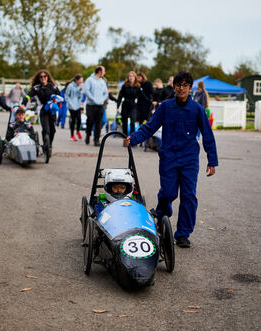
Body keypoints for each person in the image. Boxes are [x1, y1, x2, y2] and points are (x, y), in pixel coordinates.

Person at [123, 71, 218, 248]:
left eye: (185, 85)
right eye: (178, 85)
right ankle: (162, 213)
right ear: (174, 87)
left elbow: (207, 134)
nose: (181, 88)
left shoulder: (197, 109)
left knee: (188, 196)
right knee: (168, 193)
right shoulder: (166, 107)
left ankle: (182, 233)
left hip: (189, 160)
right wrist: (133, 139)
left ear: (190, 88)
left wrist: (212, 160)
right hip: (169, 158)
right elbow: (149, 128)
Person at [21, 69, 61, 150]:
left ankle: (49, 145)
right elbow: (28, 96)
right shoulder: (36, 88)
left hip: (52, 110)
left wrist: (57, 103)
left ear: (47, 77)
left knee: (52, 130)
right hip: (43, 110)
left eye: (44, 76)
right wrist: (23, 104)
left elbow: (60, 97)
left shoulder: (53, 87)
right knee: (46, 129)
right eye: (41, 77)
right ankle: (45, 145)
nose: (43, 78)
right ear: (39, 78)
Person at [82, 66, 109, 146]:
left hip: (100, 105)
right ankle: (88, 135)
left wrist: (102, 100)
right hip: (91, 105)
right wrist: (93, 99)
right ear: (99, 71)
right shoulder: (89, 80)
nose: (104, 73)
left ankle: (96, 140)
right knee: (90, 122)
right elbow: (86, 91)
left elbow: (105, 93)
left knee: (98, 123)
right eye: (104, 71)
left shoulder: (102, 82)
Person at [116, 71, 140, 136]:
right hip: (125, 105)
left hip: (133, 106)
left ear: (135, 77)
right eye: (129, 76)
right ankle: (125, 137)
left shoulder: (138, 86)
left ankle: (132, 138)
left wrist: (150, 101)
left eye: (132, 76)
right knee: (124, 122)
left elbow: (142, 97)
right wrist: (117, 107)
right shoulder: (124, 86)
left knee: (132, 122)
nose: (131, 77)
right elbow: (120, 97)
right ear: (128, 77)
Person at [64, 74, 84, 141]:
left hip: (78, 105)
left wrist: (80, 91)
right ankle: (72, 135)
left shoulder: (81, 86)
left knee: (79, 119)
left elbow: (80, 96)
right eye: (80, 81)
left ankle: (78, 131)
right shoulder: (70, 86)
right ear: (76, 80)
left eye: (82, 81)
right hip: (71, 105)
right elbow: (66, 96)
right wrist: (70, 103)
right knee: (73, 120)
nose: (81, 82)